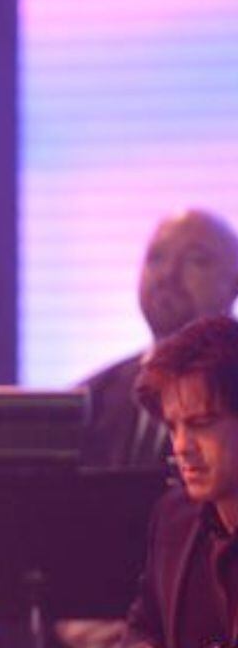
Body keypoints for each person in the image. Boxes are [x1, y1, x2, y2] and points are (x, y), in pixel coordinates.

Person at [80, 210, 238, 469]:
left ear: (234, 284)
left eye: (195, 260)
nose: (167, 274)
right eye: (156, 258)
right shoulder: (92, 397)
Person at [122, 316, 238, 648]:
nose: (181, 446)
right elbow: (143, 629)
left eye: (201, 423)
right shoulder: (175, 517)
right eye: (173, 427)